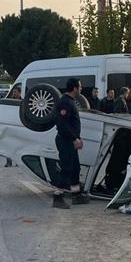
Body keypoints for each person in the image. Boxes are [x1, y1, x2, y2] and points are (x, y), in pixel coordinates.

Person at [52, 78, 85, 209]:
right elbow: (62, 124)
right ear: (75, 88)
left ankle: (76, 195)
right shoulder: (65, 103)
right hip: (66, 141)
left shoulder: (70, 101)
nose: (81, 89)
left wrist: (77, 138)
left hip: (70, 141)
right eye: (80, 86)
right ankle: (58, 197)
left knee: (75, 168)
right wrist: (74, 138)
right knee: (66, 168)